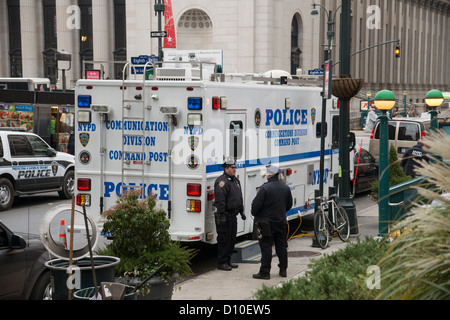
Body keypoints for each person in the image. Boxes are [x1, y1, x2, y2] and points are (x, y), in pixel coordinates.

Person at [251, 164, 293, 280]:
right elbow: (289, 205)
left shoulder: (264, 188)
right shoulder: (285, 188)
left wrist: (256, 214)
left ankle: (265, 272)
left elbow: (255, 206)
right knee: (281, 246)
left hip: (266, 223)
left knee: (266, 247)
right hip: (280, 221)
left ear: (269, 175)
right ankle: (283, 269)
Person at [214, 159, 245, 271]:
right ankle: (221, 262)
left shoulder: (235, 180)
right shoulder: (222, 182)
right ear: (226, 168)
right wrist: (222, 214)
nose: (234, 170)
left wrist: (241, 211)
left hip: (233, 215)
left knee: (232, 240)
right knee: (224, 240)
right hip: (225, 215)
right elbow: (220, 200)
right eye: (232, 168)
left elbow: (238, 197)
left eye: (235, 168)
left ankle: (228, 260)